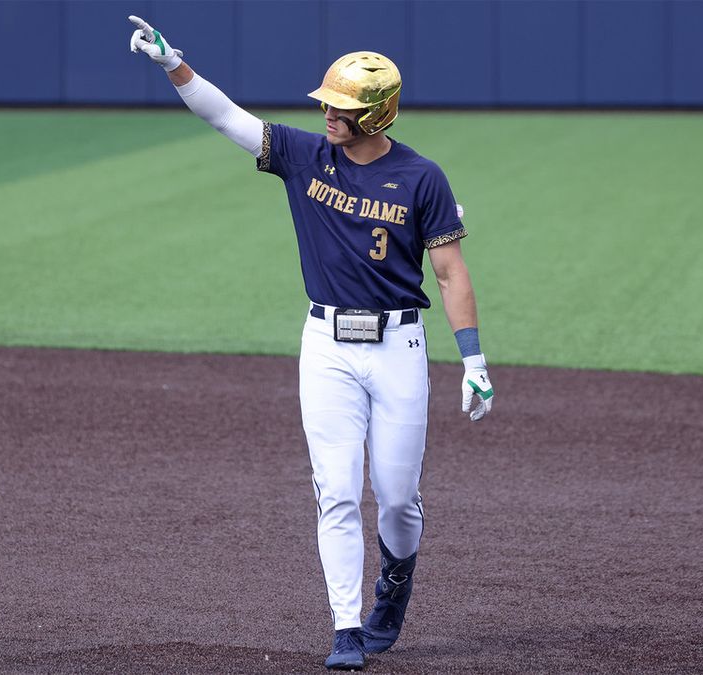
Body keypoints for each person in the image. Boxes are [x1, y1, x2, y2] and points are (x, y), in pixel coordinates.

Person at [129, 16, 494, 671]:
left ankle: (396, 580)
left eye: (343, 106)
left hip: (398, 349)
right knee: (337, 490)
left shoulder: (422, 179)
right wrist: (172, 64)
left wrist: (473, 359)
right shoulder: (303, 155)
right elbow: (227, 119)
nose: (328, 112)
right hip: (325, 345)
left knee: (398, 494)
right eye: (327, 101)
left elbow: (450, 273)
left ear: (377, 114)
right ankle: (346, 627)